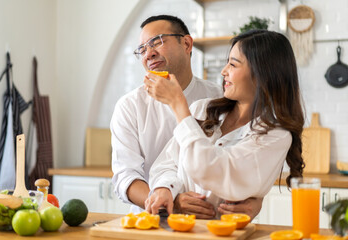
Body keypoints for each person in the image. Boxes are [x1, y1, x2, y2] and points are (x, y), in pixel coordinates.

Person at [110, 15, 263, 219]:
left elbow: (241, 163)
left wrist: (255, 201)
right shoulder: (129, 106)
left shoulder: (219, 98)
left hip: (211, 224)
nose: (149, 53)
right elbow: (125, 178)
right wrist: (169, 202)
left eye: (157, 42)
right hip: (150, 224)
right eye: (143, 49)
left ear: (187, 44)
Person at [144, 29, 305, 216]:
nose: (223, 71)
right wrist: (165, 189)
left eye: (233, 65)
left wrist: (178, 104)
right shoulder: (202, 109)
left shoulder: (275, 136)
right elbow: (167, 164)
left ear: (263, 74)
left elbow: (211, 169)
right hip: (174, 229)